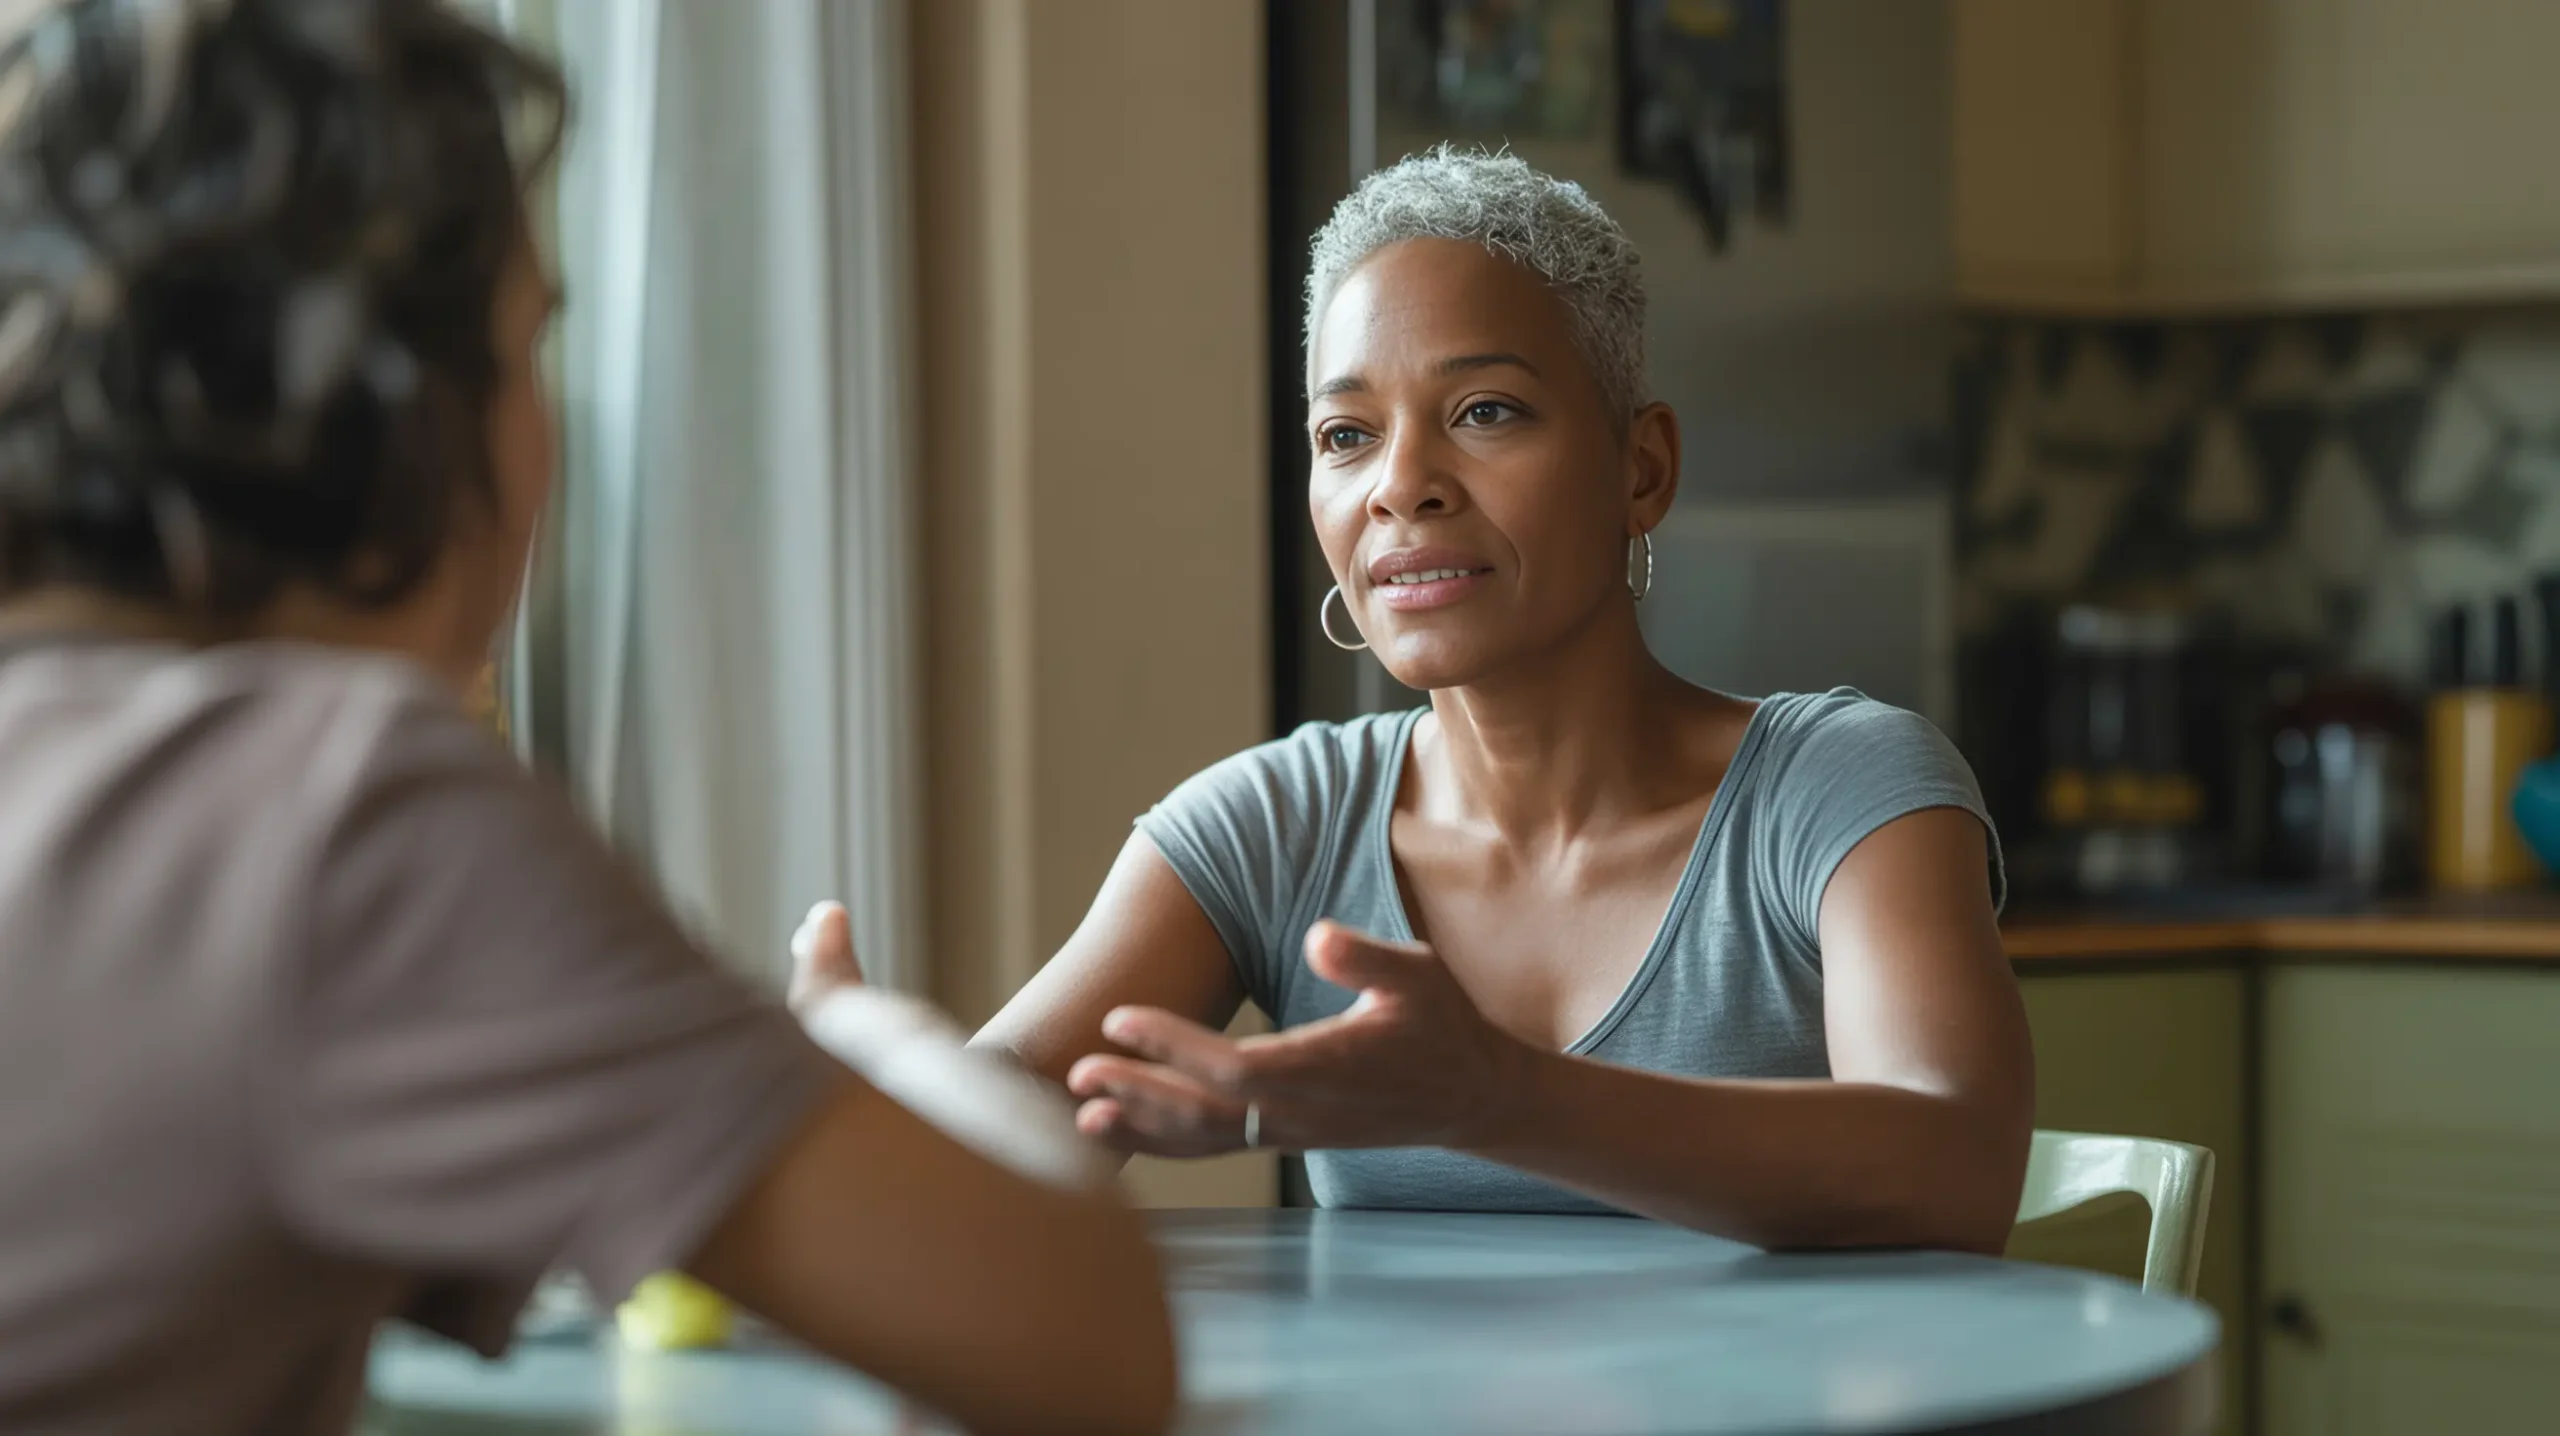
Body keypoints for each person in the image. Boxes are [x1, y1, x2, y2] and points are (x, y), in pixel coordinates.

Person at [0, 3, 1173, 1433]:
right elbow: (1083, 1341)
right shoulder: (330, 816)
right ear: (406, 405)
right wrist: (860, 1043)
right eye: (528, 343)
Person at [958, 146, 2035, 1252]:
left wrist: (1496, 1099)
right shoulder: (1275, 825)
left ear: (1641, 470)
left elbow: (1957, 1170)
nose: (1399, 484)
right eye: (1347, 434)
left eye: (1484, 410)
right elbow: (984, 1132)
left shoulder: (1844, 790)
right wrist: (834, 1073)